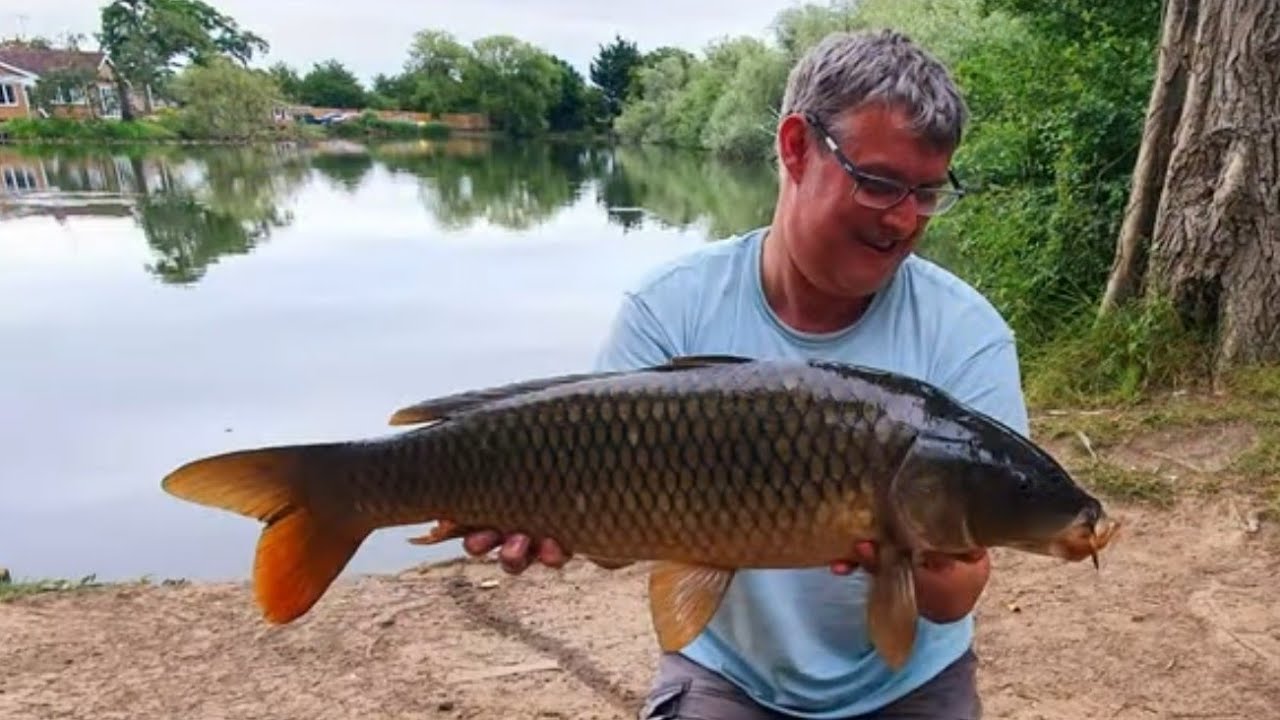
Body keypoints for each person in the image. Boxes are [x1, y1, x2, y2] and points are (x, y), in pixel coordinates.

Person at [462, 28, 1028, 720]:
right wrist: (557, 517)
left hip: (907, 682)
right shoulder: (671, 307)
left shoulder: (967, 336)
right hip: (729, 675)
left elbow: (955, 598)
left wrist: (925, 559)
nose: (905, 219)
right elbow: (615, 536)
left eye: (928, 191)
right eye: (880, 183)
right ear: (796, 148)